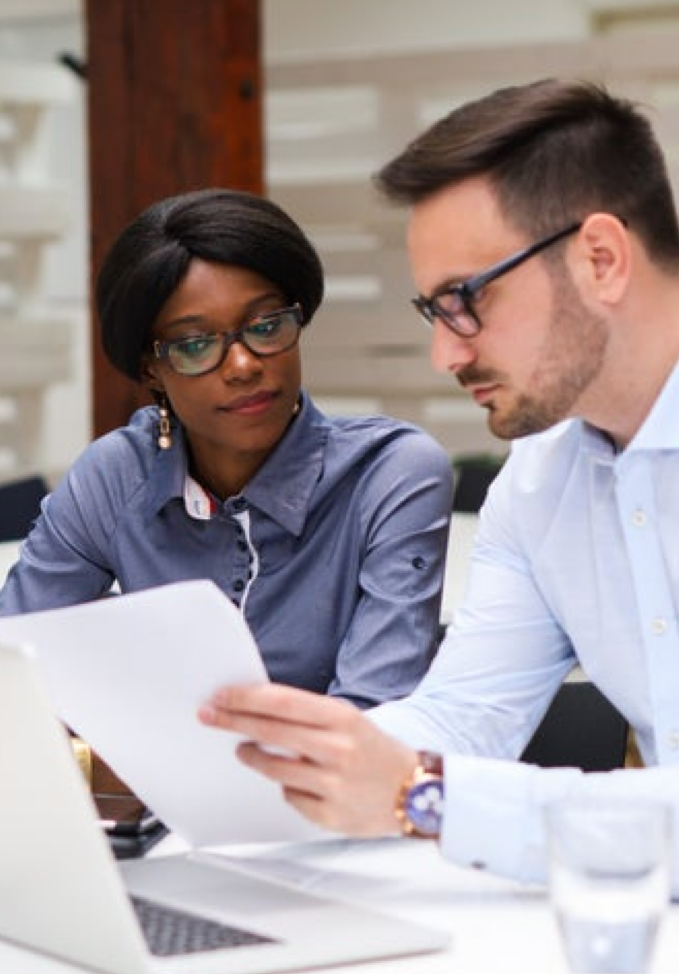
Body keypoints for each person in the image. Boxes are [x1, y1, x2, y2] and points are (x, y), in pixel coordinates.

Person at [197, 81, 679, 899]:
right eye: (432, 310)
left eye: (465, 301)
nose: (446, 353)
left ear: (600, 259)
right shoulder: (541, 478)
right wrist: (285, 757)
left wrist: (420, 796)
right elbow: (461, 721)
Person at [0, 188, 453, 709]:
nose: (243, 365)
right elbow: (14, 669)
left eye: (266, 326)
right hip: (154, 788)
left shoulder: (390, 475)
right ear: (152, 369)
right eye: (195, 345)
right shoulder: (118, 475)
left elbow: (375, 714)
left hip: (339, 787)